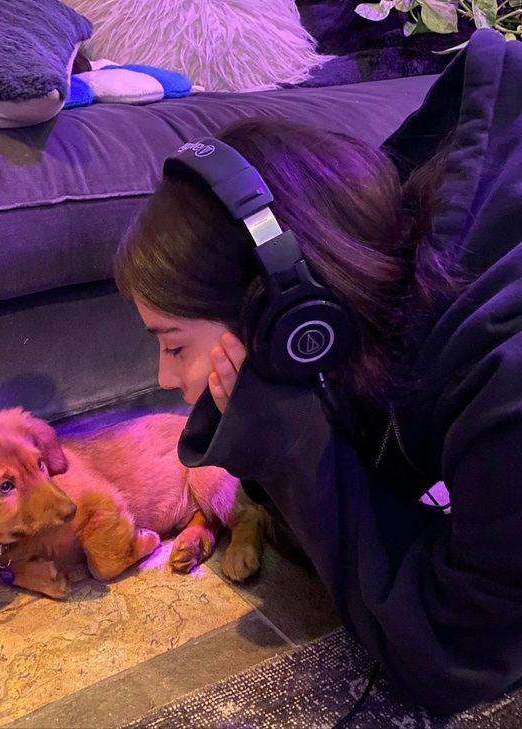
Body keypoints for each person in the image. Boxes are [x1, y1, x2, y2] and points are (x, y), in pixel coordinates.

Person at [113, 29, 522, 715]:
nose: (163, 378)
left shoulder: (504, 379)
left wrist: (292, 438)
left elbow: (460, 655)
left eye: (174, 345)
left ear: (295, 325)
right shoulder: (402, 301)